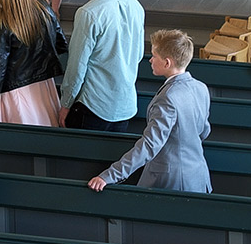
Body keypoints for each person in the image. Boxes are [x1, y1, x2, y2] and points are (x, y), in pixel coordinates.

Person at [87, 29, 212, 193]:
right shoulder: (200, 88)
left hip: (171, 181)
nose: (150, 60)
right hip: (198, 175)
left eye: (154, 56)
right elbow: (204, 131)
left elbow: (149, 145)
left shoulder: (168, 98)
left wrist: (110, 175)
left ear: (167, 63)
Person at [56, 0, 147, 132]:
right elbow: (137, 55)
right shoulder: (135, 5)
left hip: (93, 106)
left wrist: (65, 104)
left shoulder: (88, 13)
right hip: (124, 105)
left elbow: (77, 67)